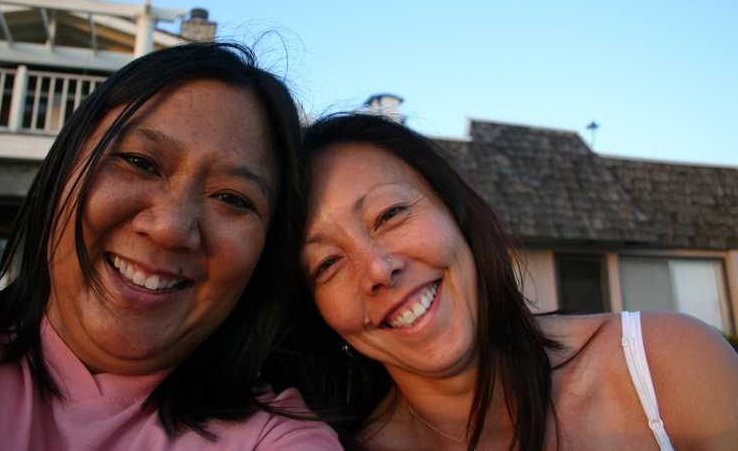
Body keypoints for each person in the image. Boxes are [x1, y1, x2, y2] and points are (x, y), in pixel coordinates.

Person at [0, 42, 340, 450]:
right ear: (64, 166)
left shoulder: (275, 438)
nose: (170, 229)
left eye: (231, 199)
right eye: (140, 163)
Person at [296, 113, 738, 451]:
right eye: (327, 264)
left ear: (456, 213)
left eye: (390, 214)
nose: (378, 269)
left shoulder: (667, 365)